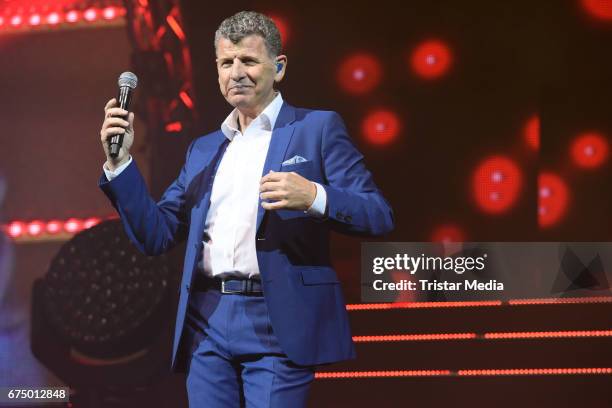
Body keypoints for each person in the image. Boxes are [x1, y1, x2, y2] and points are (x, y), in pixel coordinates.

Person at [99, 10, 393, 407]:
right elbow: (158, 234)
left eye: (249, 61)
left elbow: (377, 214)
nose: (236, 72)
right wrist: (120, 166)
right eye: (226, 62)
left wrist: (315, 196)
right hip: (206, 318)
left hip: (277, 318)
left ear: (279, 67)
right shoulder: (203, 149)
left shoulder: (316, 129)